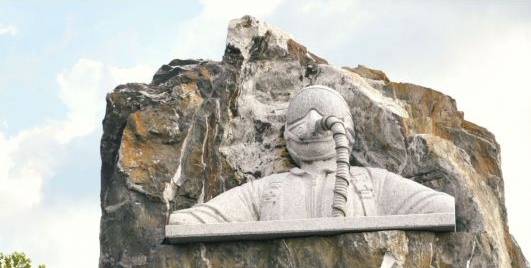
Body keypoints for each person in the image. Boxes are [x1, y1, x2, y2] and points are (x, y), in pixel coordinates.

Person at [169, 85, 455, 224]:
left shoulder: (372, 182)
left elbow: (441, 207)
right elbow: (196, 220)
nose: (312, 122)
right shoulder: (267, 189)